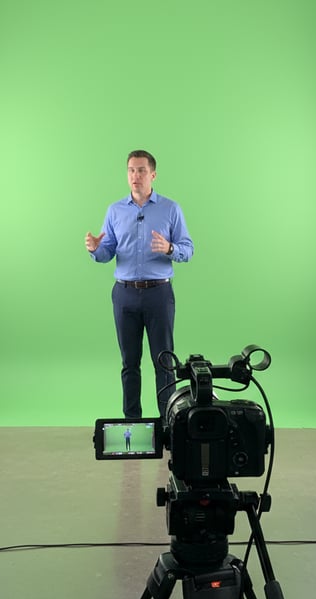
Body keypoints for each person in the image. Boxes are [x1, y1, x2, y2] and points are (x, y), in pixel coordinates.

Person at [85, 150, 194, 419]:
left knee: (164, 362)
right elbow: (107, 252)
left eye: (141, 170)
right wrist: (96, 249)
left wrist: (169, 248)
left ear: (153, 175)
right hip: (124, 295)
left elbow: (188, 249)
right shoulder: (115, 210)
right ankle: (132, 422)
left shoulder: (170, 209)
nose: (136, 176)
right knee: (129, 363)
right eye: (131, 170)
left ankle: (168, 422)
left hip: (159, 294)